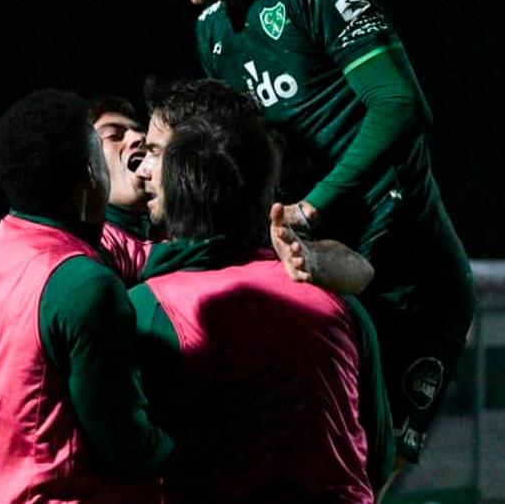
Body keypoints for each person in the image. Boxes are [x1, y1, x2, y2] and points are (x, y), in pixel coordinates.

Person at [163, 0, 473, 460]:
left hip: (406, 277)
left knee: (362, 471)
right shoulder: (213, 30)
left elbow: (400, 106)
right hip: (320, 272)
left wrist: (311, 210)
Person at [129, 88, 392, 502]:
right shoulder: (339, 303)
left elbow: (127, 455)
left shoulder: (148, 307)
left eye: (160, 152)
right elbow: (376, 458)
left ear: (186, 176)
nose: (142, 169)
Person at [0, 89, 174, 503]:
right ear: (92, 171)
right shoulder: (83, 281)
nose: (138, 141)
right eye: (109, 137)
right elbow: (124, 442)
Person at [90, 96, 154, 287]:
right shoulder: (95, 249)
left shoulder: (182, 220)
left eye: (140, 131)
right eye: (114, 136)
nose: (139, 138)